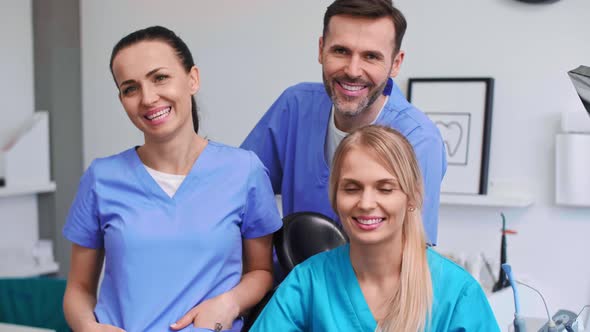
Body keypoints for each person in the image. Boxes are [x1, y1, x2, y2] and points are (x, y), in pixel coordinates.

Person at [62, 26, 282, 332]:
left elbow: (260, 270)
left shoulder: (244, 171)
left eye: (159, 77)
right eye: (130, 88)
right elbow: (79, 289)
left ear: (192, 79)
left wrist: (228, 304)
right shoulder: (101, 179)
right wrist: (88, 327)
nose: (148, 97)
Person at [250, 125, 499, 331]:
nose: (366, 203)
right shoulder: (308, 283)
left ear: (411, 197)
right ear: (335, 197)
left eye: (385, 189)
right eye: (351, 188)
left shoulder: (457, 295)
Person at [241, 0, 446, 245]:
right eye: (341, 51)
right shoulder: (295, 106)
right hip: (289, 279)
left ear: (396, 63)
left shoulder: (419, 140)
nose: (353, 70)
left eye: (371, 56)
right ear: (321, 49)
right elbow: (238, 191)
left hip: (365, 284)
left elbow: (412, 256)